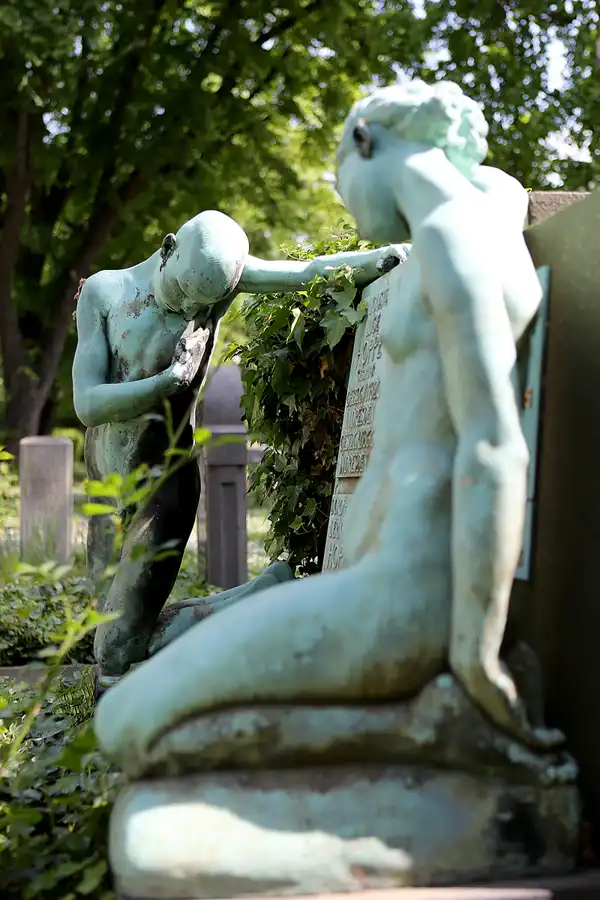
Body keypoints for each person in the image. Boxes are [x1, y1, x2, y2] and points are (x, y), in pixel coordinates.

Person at [95, 80, 563, 774]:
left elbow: (494, 451)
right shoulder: (484, 203)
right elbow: (494, 183)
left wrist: (475, 649)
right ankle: (413, 724)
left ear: (364, 141)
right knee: (135, 715)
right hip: (369, 581)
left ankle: (431, 727)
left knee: (125, 725)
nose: (348, 204)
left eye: (341, 181)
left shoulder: (453, 242)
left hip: (391, 599)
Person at [72, 209, 404, 678]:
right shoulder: (106, 291)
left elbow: (306, 273)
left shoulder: (217, 290)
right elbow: (86, 403)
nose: (191, 311)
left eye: (203, 304)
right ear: (167, 251)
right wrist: (167, 383)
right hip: (106, 484)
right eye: (184, 293)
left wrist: (381, 259)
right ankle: (260, 596)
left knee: (114, 650)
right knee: (101, 626)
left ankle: (121, 710)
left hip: (163, 486)